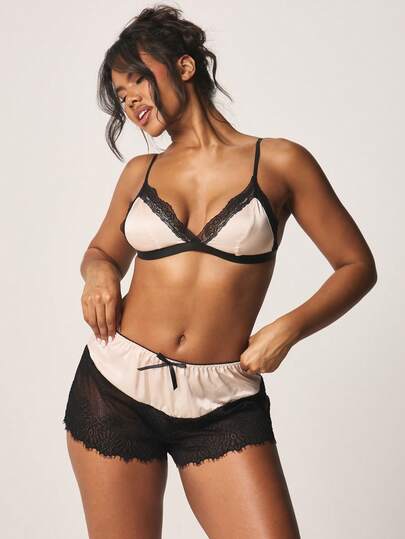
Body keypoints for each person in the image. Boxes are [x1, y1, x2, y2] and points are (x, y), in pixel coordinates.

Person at [62, 5, 377, 538]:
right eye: (119, 93)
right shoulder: (140, 172)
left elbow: (356, 265)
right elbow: (102, 251)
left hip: (223, 403)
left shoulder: (280, 162)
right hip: (115, 388)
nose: (129, 99)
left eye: (137, 80)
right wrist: (98, 274)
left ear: (184, 67)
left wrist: (288, 329)